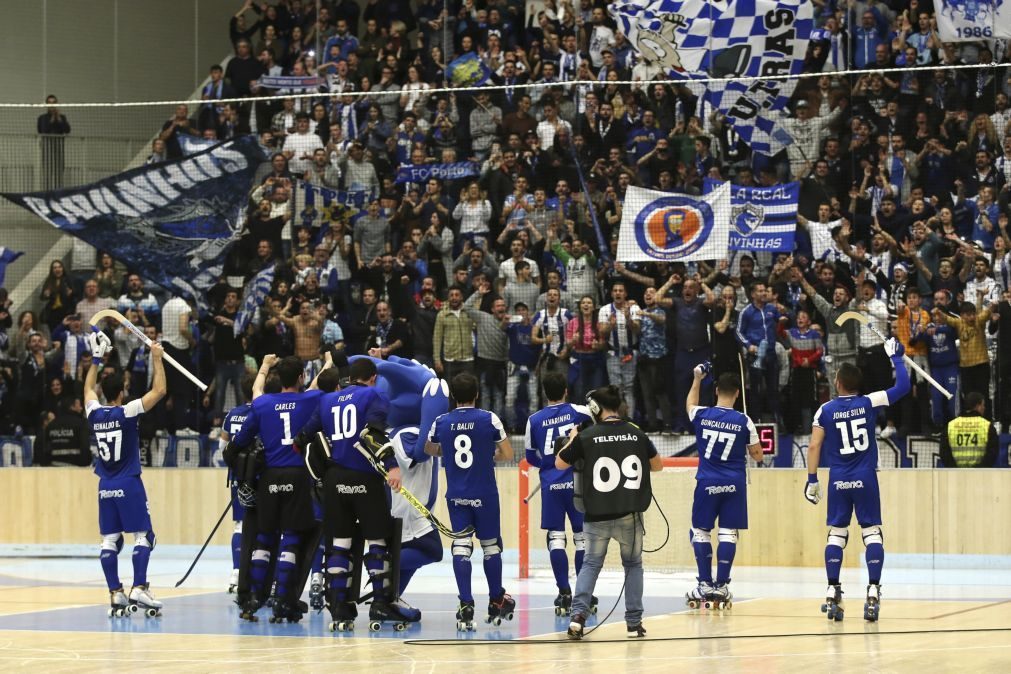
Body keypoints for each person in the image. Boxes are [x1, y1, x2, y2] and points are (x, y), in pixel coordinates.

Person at [297, 357, 417, 631]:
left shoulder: (327, 400)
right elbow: (373, 434)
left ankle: (339, 608)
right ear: (373, 377)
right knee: (377, 541)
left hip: (334, 479)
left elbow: (302, 438)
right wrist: (392, 467)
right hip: (364, 477)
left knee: (339, 542)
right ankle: (380, 604)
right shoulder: (375, 394)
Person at [804, 338, 910, 623]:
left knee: (837, 534)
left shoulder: (824, 410)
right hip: (865, 477)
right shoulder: (868, 401)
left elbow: (814, 447)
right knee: (871, 532)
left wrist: (812, 479)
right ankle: (873, 592)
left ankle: (832, 589)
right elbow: (903, 388)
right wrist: (896, 357)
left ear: (838, 383)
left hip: (838, 479)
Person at [555, 384, 662, 640]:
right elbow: (657, 466)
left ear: (595, 408)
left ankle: (578, 619)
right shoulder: (636, 433)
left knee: (591, 564)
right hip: (630, 515)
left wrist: (572, 437)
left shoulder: (587, 435)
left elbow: (559, 462)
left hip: (597, 516)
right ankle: (634, 624)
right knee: (633, 565)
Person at [227, 355, 323, 623]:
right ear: (301, 377)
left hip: (270, 477)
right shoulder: (311, 399)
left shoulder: (262, 404)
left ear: (279, 379)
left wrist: (241, 472)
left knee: (264, 538)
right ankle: (283, 600)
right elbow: (321, 387)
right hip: (297, 476)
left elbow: (237, 444)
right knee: (291, 538)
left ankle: (254, 599)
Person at [83, 330, 167, 617]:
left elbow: (88, 391)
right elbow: (159, 392)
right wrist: (158, 359)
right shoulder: (127, 411)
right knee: (144, 536)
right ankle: (140, 586)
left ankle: (115, 592)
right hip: (129, 482)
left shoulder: (94, 413)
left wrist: (95, 360)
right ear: (122, 391)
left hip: (105, 486)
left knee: (109, 541)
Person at [425, 372, 515, 631]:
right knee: (491, 547)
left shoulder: (441, 421)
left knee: (461, 546)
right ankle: (497, 599)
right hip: (485, 494)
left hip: (456, 495)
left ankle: (465, 604)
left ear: (453, 397)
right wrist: (487, 455)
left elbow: (429, 449)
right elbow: (508, 454)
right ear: (477, 394)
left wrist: (447, 452)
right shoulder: (489, 418)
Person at [685, 366, 763, 609]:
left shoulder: (702, 414)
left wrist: (697, 379)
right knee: (728, 533)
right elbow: (758, 456)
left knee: (700, 532)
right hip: (734, 483)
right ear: (738, 393)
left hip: (707, 481)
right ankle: (722, 586)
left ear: (717, 390)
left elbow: (689, 404)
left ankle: (704, 584)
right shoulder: (744, 420)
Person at [524, 372, 593, 616]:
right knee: (582, 538)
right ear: (566, 389)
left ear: (545, 393)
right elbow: (596, 433)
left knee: (556, 538)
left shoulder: (534, 420)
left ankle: (564, 593)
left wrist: (549, 463)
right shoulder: (580, 411)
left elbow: (531, 456)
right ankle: (584, 594)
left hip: (550, 484)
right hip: (577, 483)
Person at [218, 375, 255, 594]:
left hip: (237, 476)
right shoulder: (261, 411)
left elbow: (223, 445)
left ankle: (236, 572)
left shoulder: (232, 414)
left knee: (240, 525)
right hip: (259, 475)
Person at [940, 392, 998, 467]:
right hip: (980, 475)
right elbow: (992, 453)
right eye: (983, 405)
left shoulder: (951, 426)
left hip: (956, 475)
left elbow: (944, 453)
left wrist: (954, 469)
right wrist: (980, 469)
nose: (984, 408)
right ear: (978, 406)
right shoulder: (987, 426)